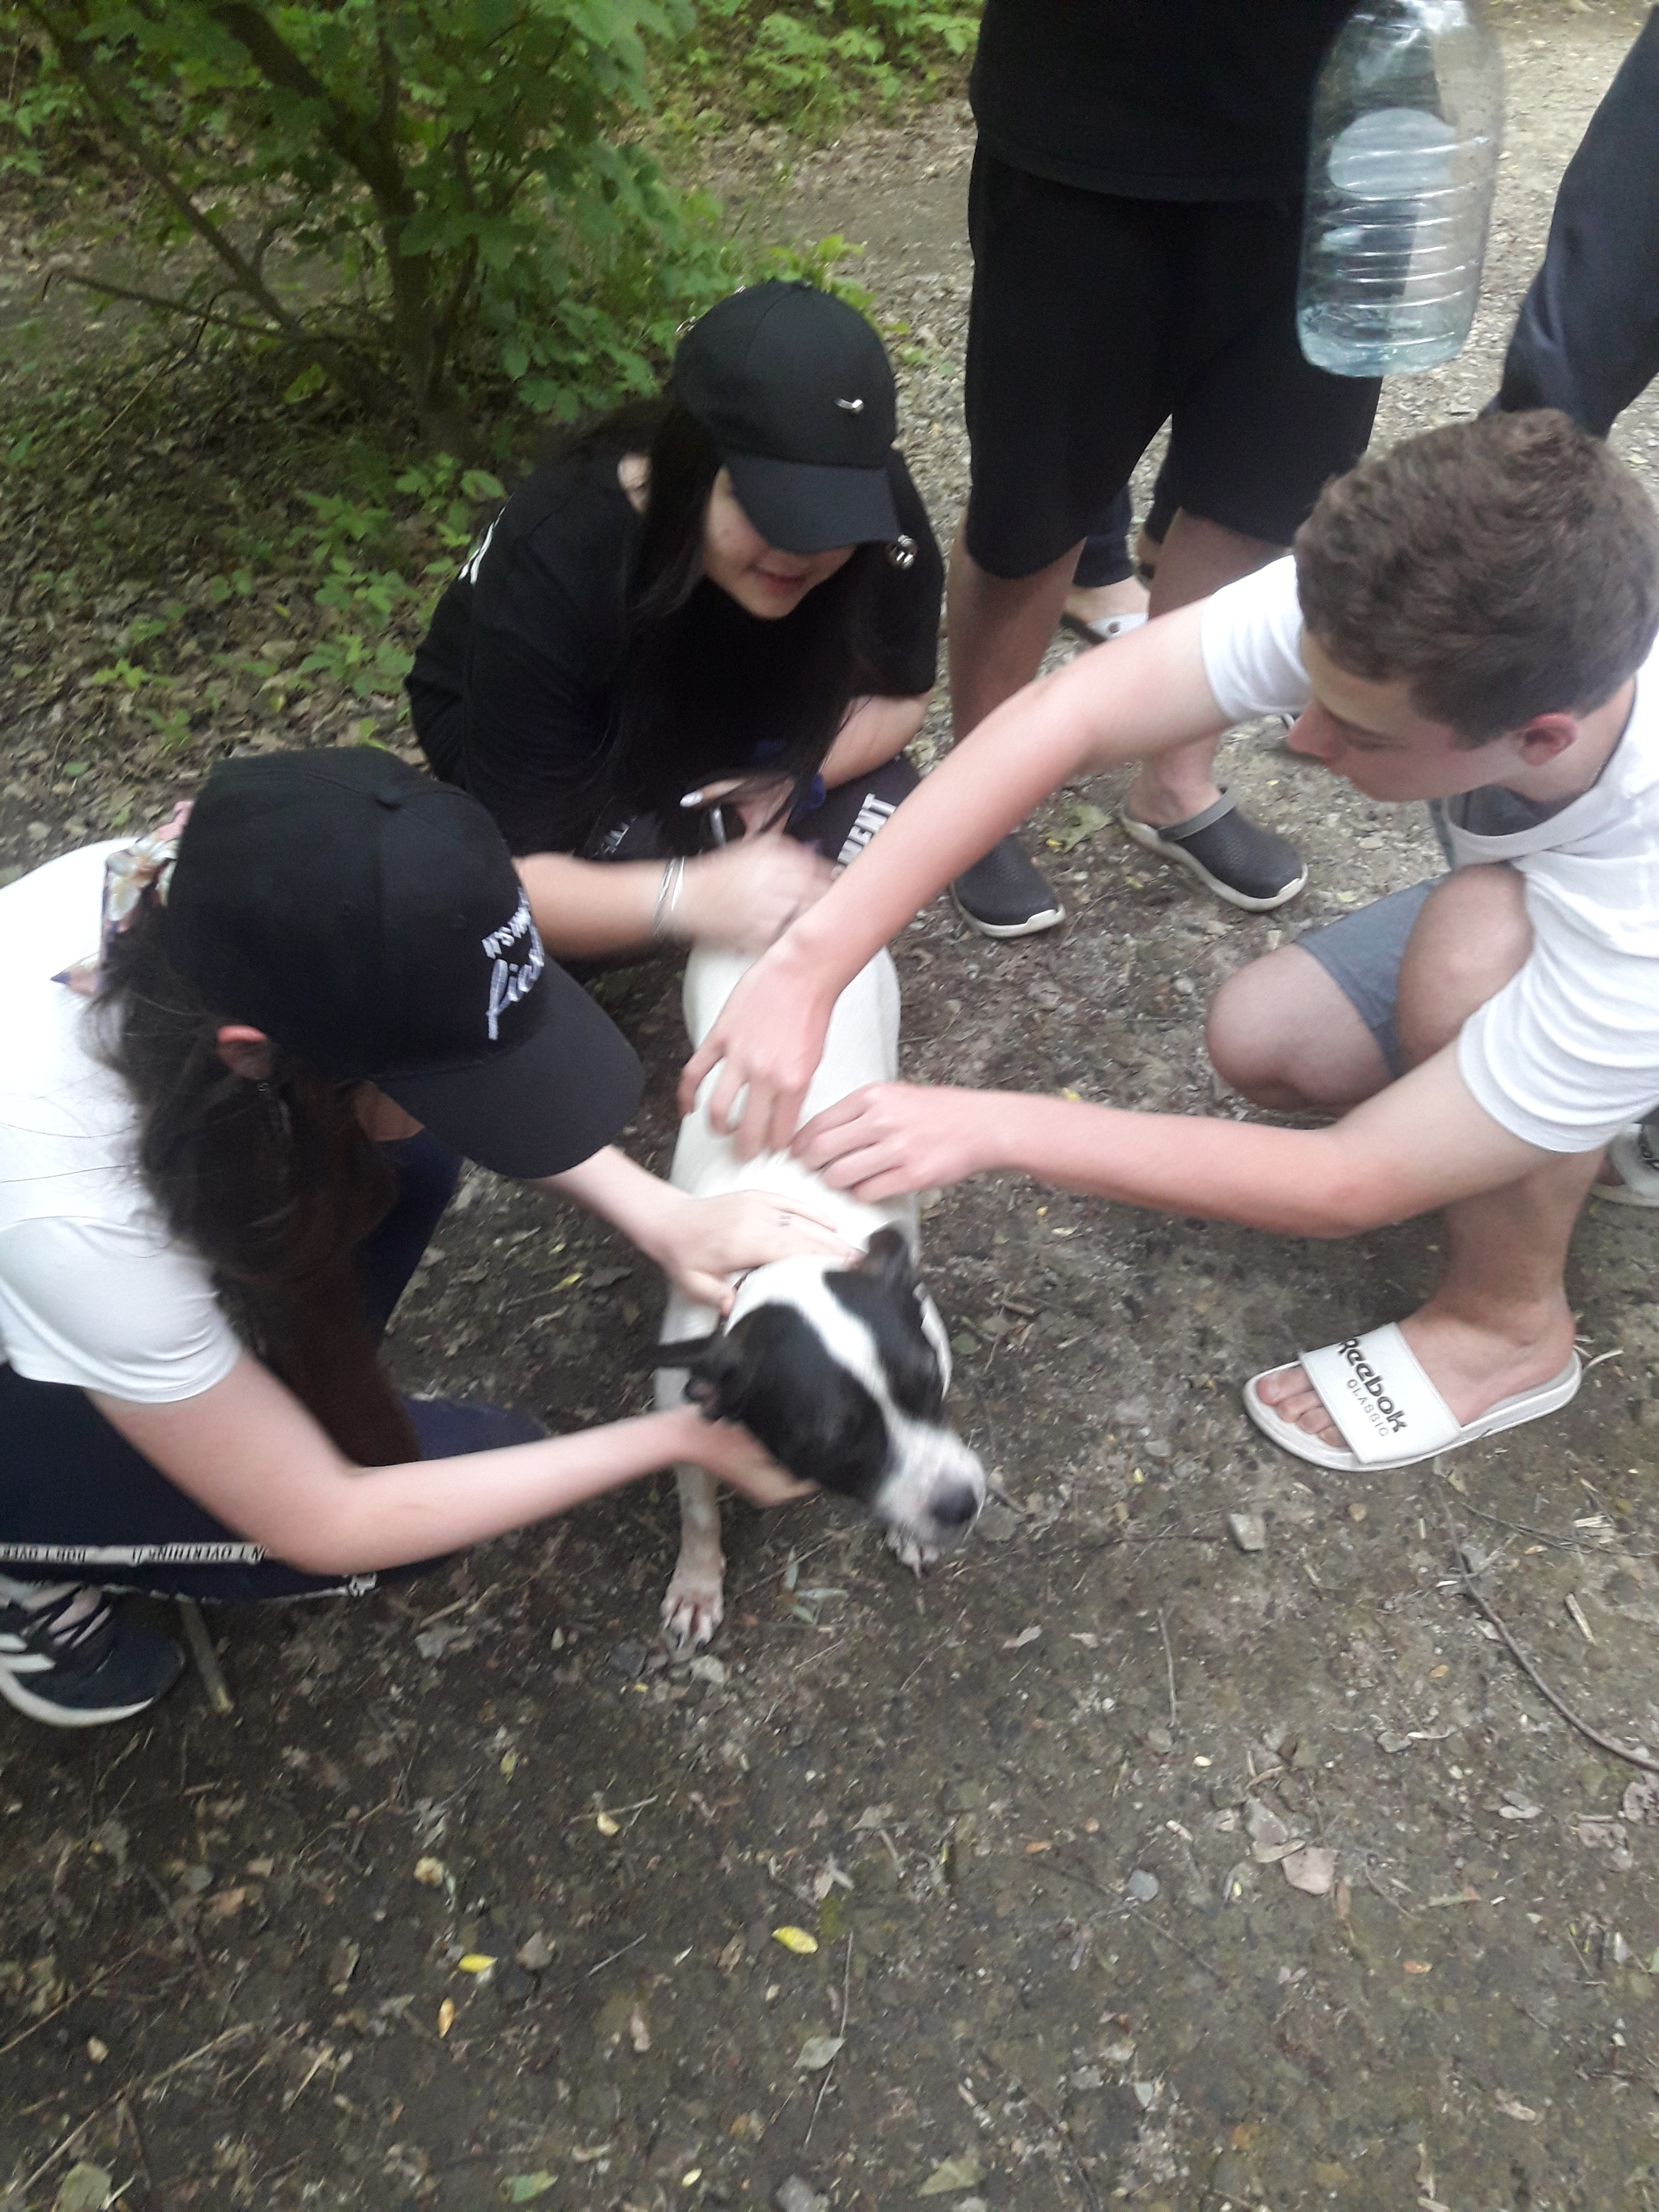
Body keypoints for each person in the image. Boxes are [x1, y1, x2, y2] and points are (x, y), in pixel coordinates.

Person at [677, 412, 1659, 1473]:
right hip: (1587, 906)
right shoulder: (1427, 597)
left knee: (1474, 962)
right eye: (1311, 694)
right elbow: (1072, 713)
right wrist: (812, 960)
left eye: (1360, 732)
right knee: (1271, 1037)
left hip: (1625, 946)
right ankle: (1581, 1087)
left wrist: (996, 1124)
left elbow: (1352, 1180)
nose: (1301, 740)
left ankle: (1508, 1330)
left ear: (1544, 734)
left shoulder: (1640, 900)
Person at [0, 748, 851, 1729]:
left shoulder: (204, 902)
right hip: (41, 1333)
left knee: (410, 1160)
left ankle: (230, 1403)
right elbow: (329, 1518)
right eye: (412, 1078)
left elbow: (441, 1024)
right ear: (255, 1059)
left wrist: (665, 1213)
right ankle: (33, 1562)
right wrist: (669, 1437)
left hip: (130, 1229)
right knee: (415, 1519)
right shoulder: (78, 1210)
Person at [945, 0, 1381, 937]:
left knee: (1262, 490)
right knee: (1033, 507)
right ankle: (973, 797)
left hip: (1342, 125)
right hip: (1093, 121)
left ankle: (1175, 781)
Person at [407, 282, 944, 965]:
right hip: (564, 734)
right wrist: (689, 896)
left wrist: (795, 773)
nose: (798, 552)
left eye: (826, 520)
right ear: (690, 466)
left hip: (716, 699)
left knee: (871, 825)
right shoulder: (562, 554)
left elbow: (903, 697)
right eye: (768, 510)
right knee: (575, 920)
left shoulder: (879, 517)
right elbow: (514, 880)